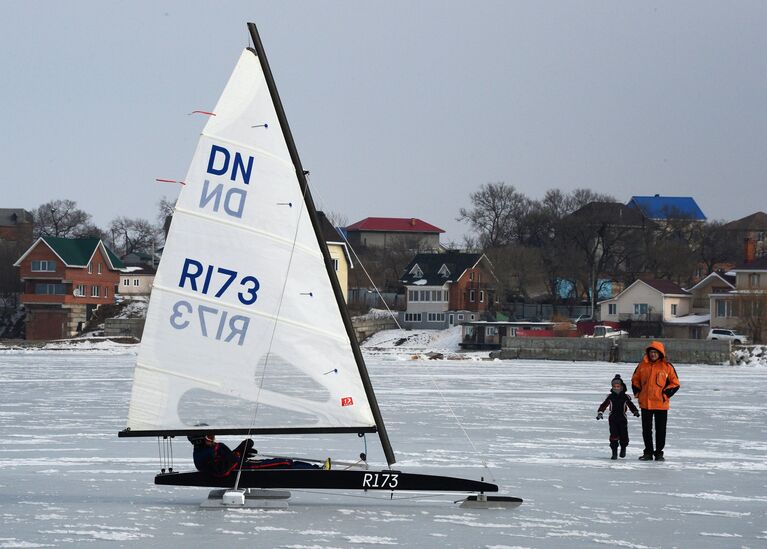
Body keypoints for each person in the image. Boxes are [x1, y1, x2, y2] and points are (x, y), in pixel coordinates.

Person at [188, 433, 330, 477]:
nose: (213, 439)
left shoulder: (202, 451)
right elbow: (222, 470)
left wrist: (240, 451)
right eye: (209, 437)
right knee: (284, 463)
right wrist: (238, 454)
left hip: (242, 465)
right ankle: (317, 471)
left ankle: (316, 468)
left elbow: (225, 460)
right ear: (200, 439)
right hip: (244, 469)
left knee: (285, 462)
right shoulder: (204, 454)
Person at [631, 341, 680, 461]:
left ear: (660, 353)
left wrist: (665, 394)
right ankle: (648, 452)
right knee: (646, 430)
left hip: (661, 404)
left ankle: (659, 453)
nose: (653, 354)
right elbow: (635, 380)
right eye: (651, 352)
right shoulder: (642, 365)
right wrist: (638, 393)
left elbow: (675, 383)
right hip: (646, 403)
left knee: (661, 430)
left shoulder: (667, 367)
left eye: (655, 352)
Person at [596, 374, 640, 459]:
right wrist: (600, 412)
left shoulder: (625, 397)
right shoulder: (610, 396)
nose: (616, 388)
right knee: (614, 435)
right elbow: (604, 405)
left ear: (621, 386)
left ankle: (623, 448)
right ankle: (614, 452)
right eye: (614, 386)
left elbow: (631, 405)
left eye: (618, 386)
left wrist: (635, 411)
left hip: (622, 418)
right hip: (612, 419)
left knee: (624, 435)